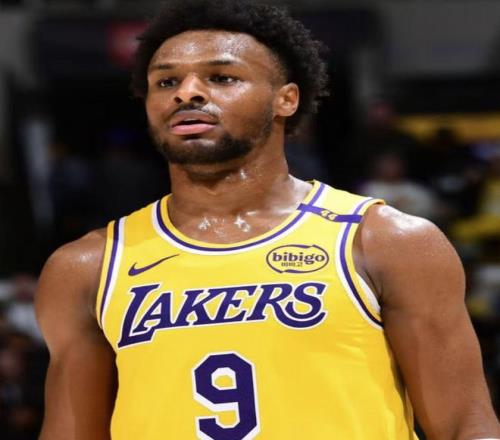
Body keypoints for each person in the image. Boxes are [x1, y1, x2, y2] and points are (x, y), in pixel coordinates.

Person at [35, 1, 500, 439]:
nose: (186, 92)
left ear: (286, 99)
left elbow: (466, 425)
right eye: (166, 81)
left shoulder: (385, 241)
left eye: (221, 77)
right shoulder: (88, 267)